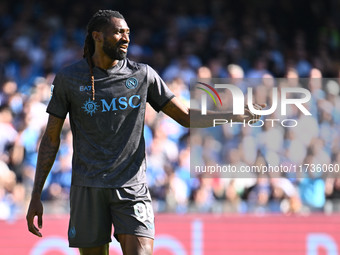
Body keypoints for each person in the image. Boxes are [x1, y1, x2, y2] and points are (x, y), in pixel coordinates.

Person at [26, 10, 264, 255]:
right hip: (88, 187)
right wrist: (36, 195)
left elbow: (185, 116)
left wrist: (232, 113)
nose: (126, 38)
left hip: (132, 187)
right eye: (119, 32)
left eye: (128, 33)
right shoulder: (69, 78)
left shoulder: (142, 75)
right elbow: (51, 138)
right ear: (97, 36)